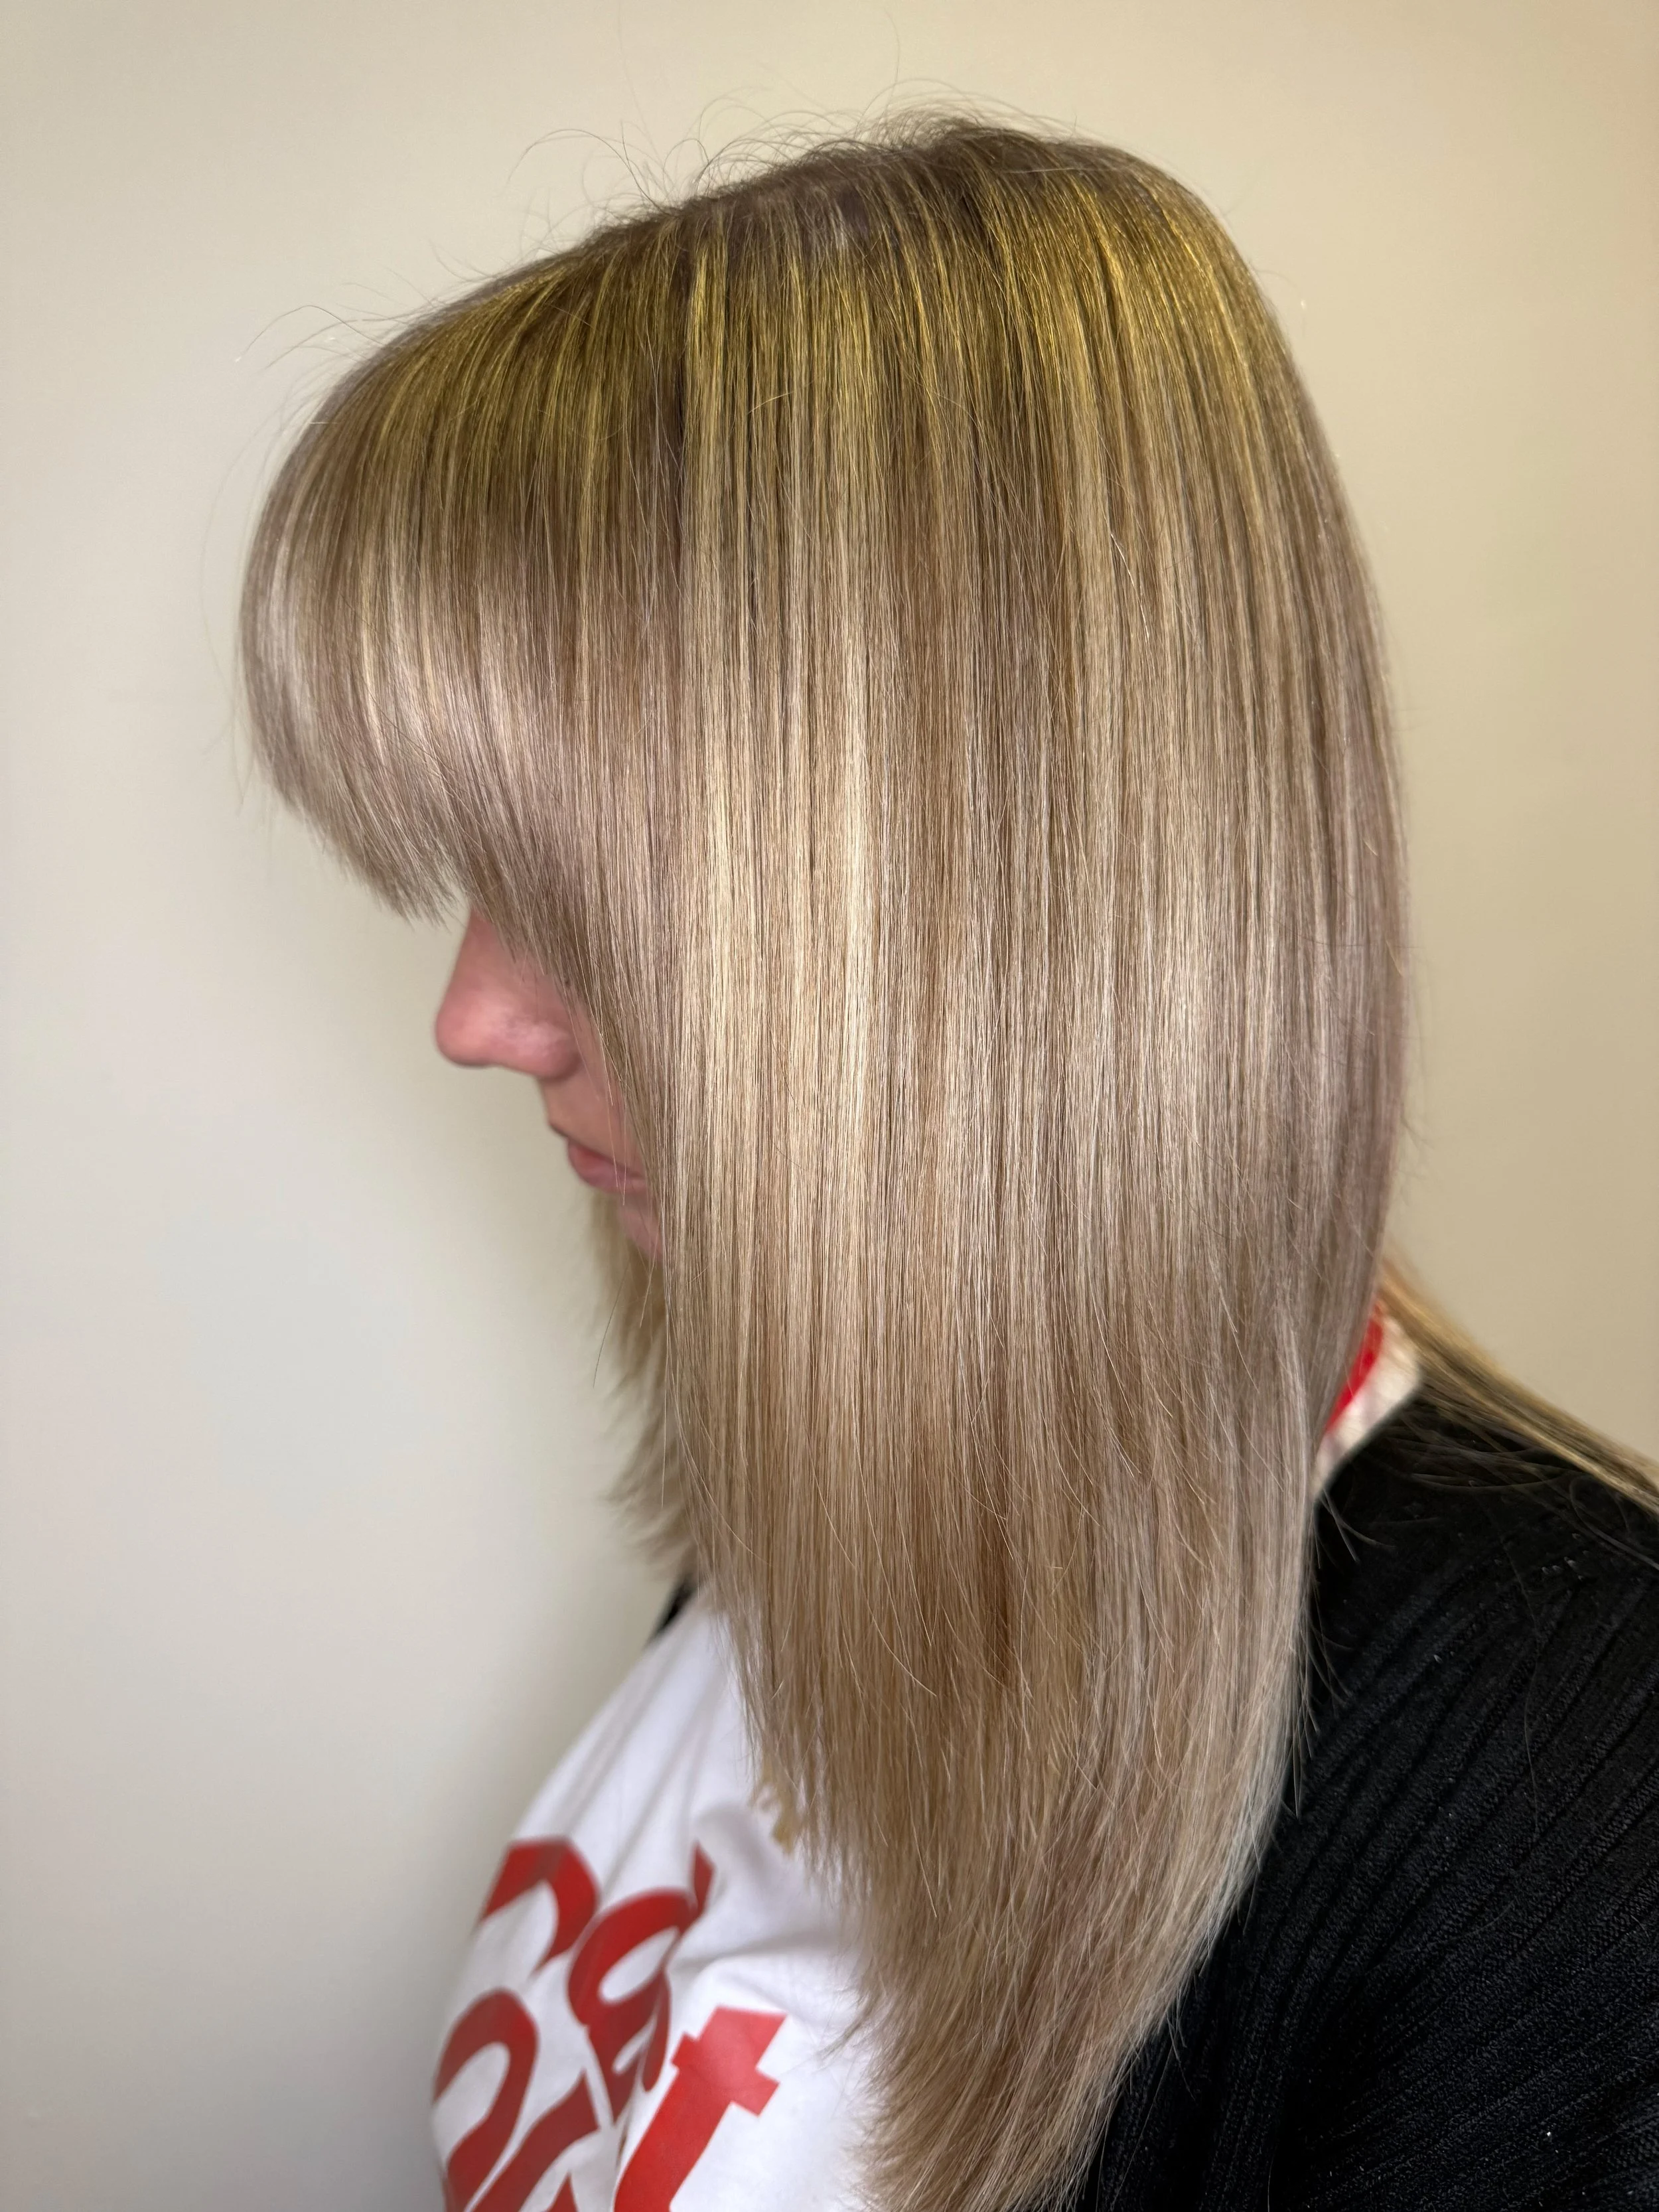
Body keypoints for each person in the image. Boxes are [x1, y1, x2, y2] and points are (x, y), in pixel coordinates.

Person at [238, 117, 1659, 2212]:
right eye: (478, 876)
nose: (476, 1015)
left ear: (1007, 906)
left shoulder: (1562, 1825)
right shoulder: (828, 1492)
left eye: (594, 884)